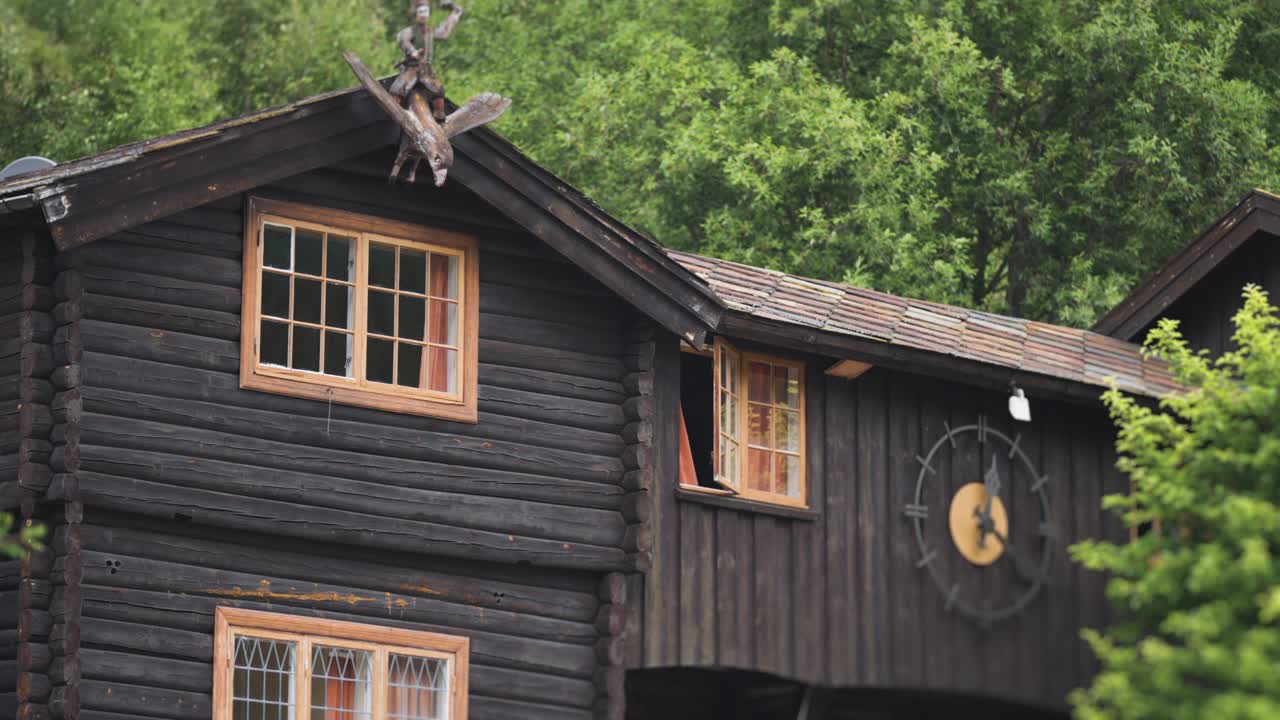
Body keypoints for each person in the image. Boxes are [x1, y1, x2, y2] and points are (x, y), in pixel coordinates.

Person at [390, 0, 464, 122]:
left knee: (438, 90)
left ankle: (439, 113)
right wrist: (412, 51)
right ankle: (393, 111)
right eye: (421, 11)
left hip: (426, 69)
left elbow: (444, 33)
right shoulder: (410, 31)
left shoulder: (430, 31)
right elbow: (404, 41)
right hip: (412, 67)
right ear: (416, 14)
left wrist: (454, 16)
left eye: (426, 11)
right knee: (398, 89)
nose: (423, 14)